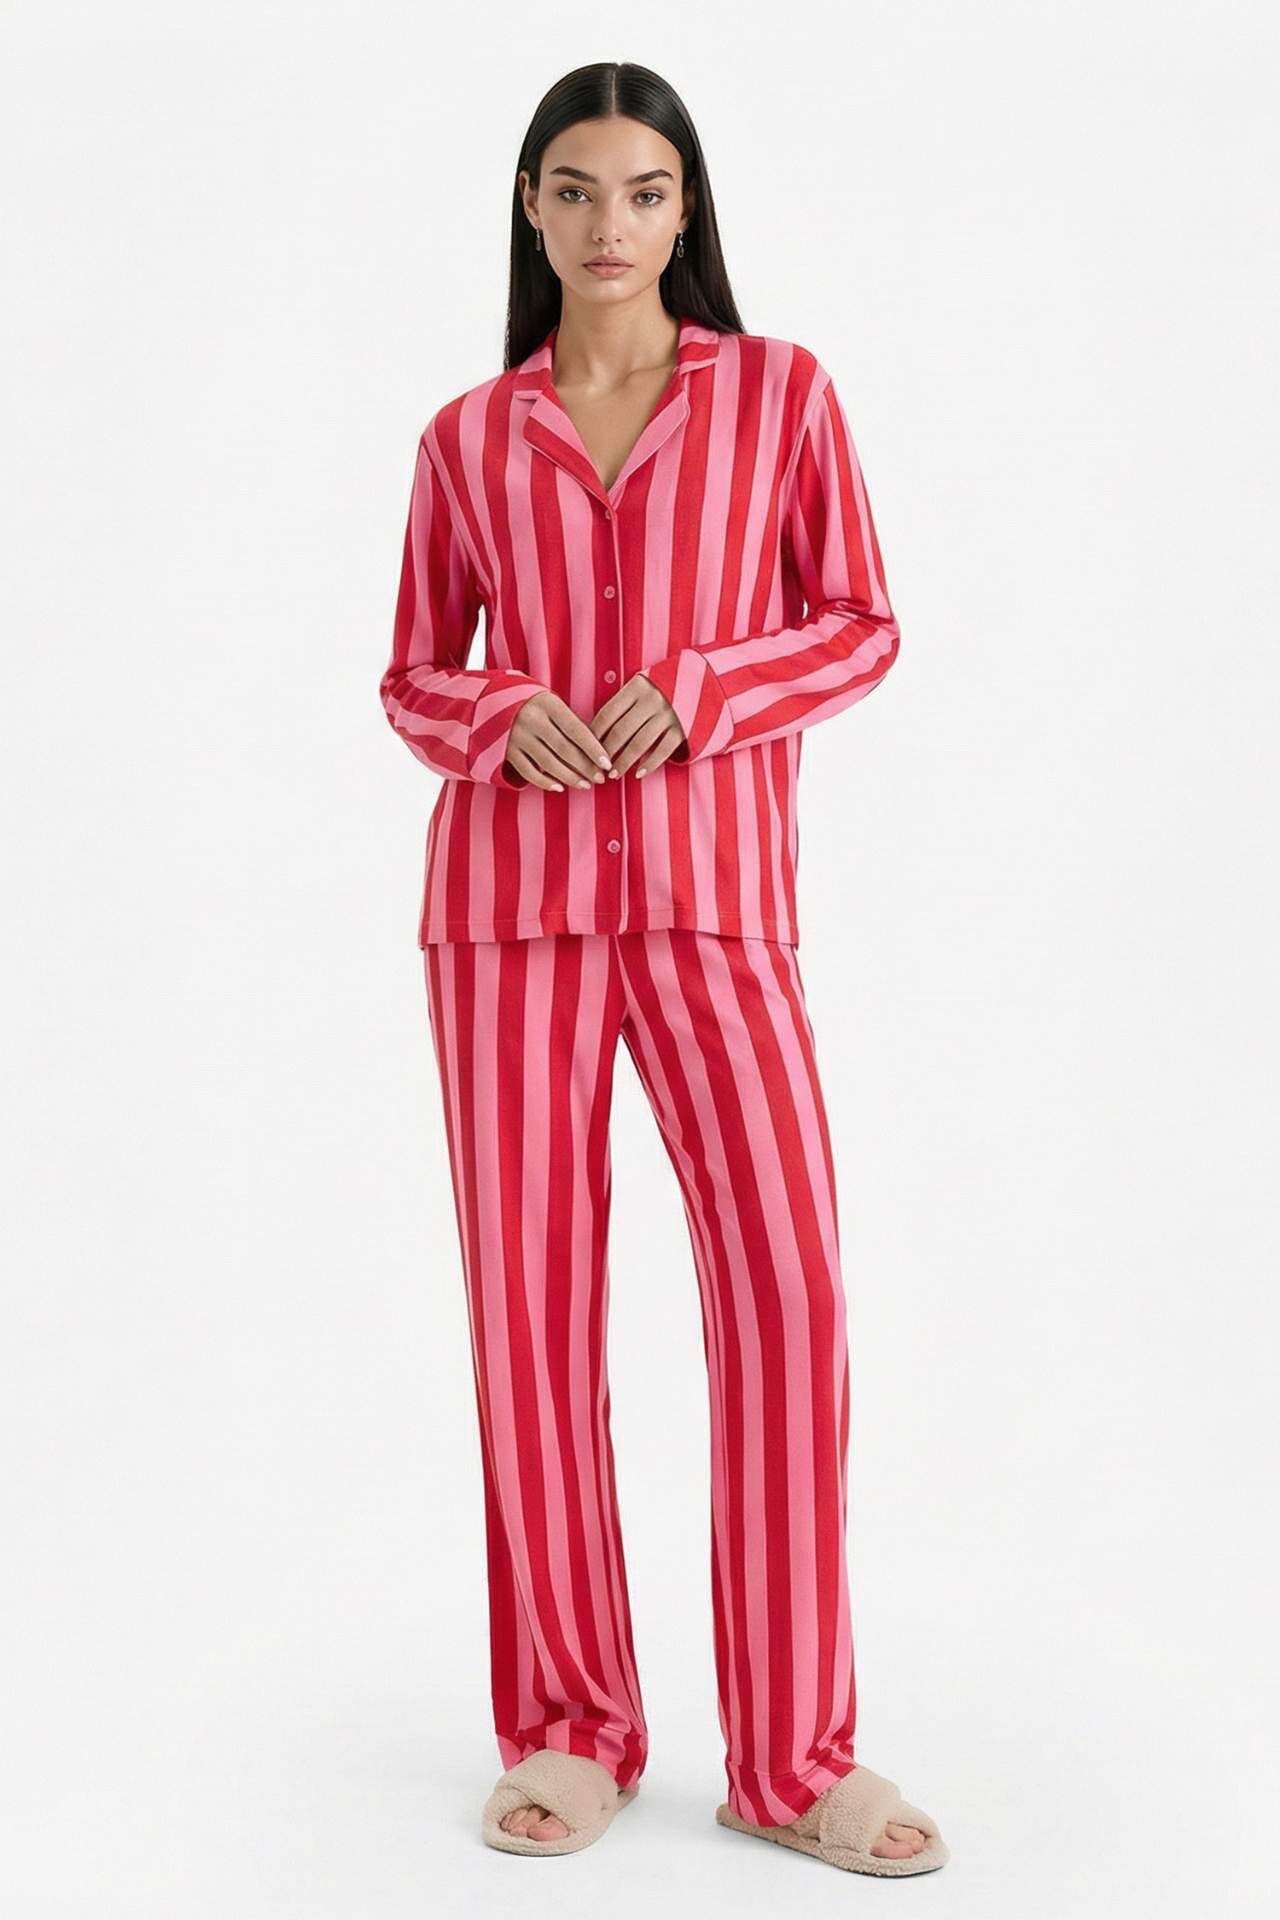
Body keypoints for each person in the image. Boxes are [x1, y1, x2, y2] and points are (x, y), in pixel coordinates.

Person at [378, 60, 949, 1878]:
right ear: (531, 209)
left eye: (641, 191)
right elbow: (412, 674)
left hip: (715, 908)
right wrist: (497, 716)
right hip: (509, 920)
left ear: (684, 207)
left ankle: (791, 1757)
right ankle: (569, 1725)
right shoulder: (469, 437)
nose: (607, 223)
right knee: (531, 1321)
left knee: (786, 1296)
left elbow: (858, 625)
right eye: (574, 190)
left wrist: (707, 687)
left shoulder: (780, 396)